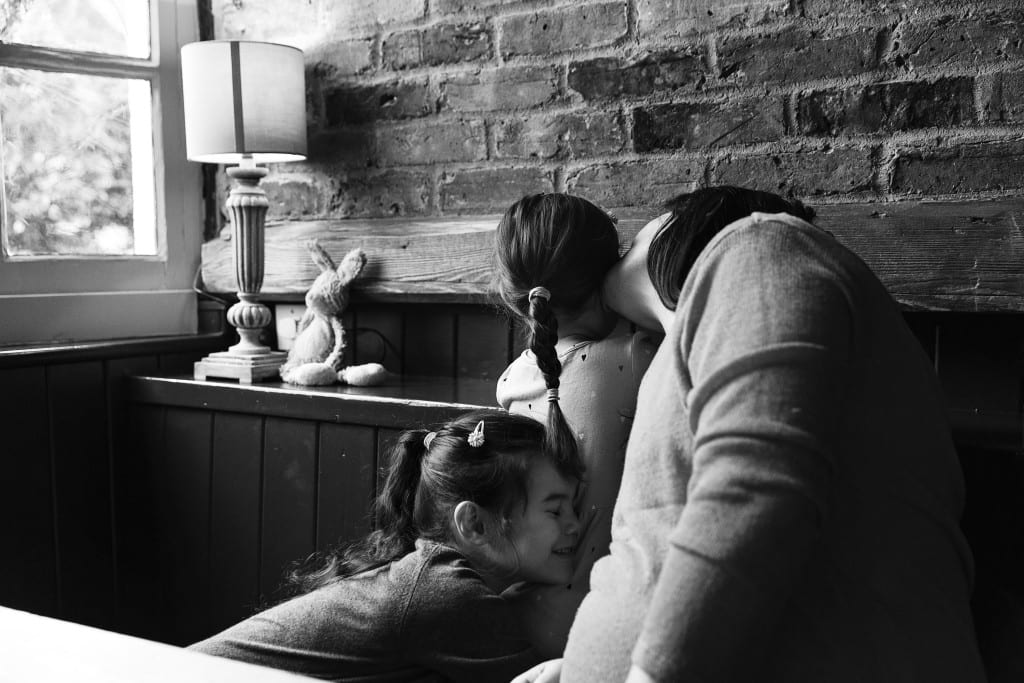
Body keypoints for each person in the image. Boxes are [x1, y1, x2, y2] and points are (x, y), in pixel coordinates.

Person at [517, 186, 987, 683]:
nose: (620, 257)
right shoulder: (736, 323)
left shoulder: (764, 248)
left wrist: (617, 287)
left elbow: (753, 492)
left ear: (687, 227)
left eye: (635, 241)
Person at [189, 410, 582, 683]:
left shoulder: (430, 578)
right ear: (474, 524)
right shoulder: (449, 596)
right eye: (556, 510)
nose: (576, 525)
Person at [493, 193, 657, 657]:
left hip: (515, 621)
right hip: (596, 631)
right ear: (607, 282)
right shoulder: (636, 359)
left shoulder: (511, 383)